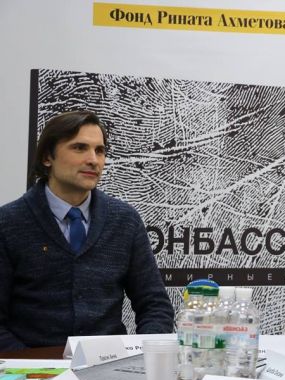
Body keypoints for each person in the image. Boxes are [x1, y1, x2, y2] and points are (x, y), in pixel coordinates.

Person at [0, 111, 174, 351]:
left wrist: (145, 355)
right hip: (29, 368)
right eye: (79, 148)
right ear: (47, 157)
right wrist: (34, 365)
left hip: (112, 365)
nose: (93, 160)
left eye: (99, 151)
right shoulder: (8, 223)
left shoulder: (125, 220)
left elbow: (155, 305)